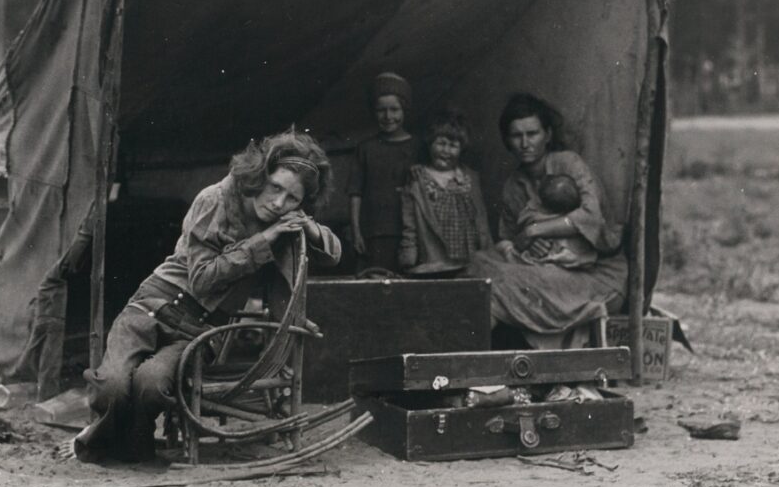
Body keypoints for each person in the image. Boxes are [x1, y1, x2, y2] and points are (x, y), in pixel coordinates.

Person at [77, 131, 342, 464]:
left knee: (151, 384)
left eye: (292, 198)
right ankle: (99, 440)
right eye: (275, 187)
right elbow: (202, 280)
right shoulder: (215, 199)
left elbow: (331, 253)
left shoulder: (285, 221)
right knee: (112, 386)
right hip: (152, 305)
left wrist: (310, 227)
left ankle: (137, 441)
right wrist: (264, 239)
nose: (278, 204)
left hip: (202, 328)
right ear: (260, 174)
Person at [472, 92, 627, 342]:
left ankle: (472, 356)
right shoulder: (513, 185)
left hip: (595, 275)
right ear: (507, 141)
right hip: (543, 268)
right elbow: (506, 238)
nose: (525, 143)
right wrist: (519, 248)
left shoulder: (568, 164)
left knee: (497, 287)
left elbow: (591, 216)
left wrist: (536, 231)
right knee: (477, 265)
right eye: (516, 135)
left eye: (532, 134)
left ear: (548, 135)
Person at [400, 113, 496, 275]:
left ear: (461, 149)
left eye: (453, 146)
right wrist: (408, 256)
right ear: (430, 144)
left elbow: (481, 221)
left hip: (468, 259)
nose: (446, 151)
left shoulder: (469, 178)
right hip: (434, 260)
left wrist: (488, 253)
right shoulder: (418, 179)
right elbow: (409, 222)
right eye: (441, 143)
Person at [350, 73, 419, 269]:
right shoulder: (365, 148)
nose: (388, 117)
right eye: (381, 110)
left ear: (405, 109)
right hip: (373, 232)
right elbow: (355, 193)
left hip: (410, 233)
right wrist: (356, 232)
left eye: (394, 109)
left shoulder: (418, 147)